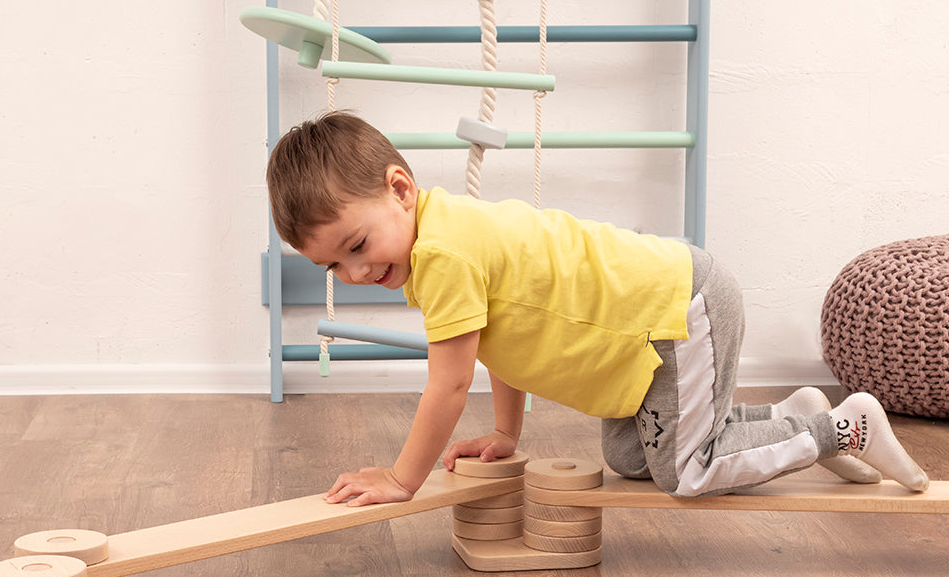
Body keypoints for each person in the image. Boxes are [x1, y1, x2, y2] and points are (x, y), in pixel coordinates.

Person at [265, 111, 929, 507]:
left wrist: (400, 478)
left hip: (676, 311)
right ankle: (789, 418)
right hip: (652, 326)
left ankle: (844, 431)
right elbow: (502, 345)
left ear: (401, 189)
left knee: (686, 473)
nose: (356, 272)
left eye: (357, 245)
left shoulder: (444, 256)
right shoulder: (440, 237)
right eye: (333, 266)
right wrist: (506, 436)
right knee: (632, 457)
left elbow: (450, 381)